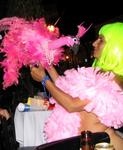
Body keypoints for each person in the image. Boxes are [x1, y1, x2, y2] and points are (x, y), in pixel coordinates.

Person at [30, 22, 123, 150]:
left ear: (115, 47)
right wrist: (49, 67)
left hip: (103, 145)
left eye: (101, 40)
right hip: (86, 143)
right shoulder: (99, 75)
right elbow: (67, 90)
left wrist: (44, 79)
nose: (94, 43)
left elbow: (72, 105)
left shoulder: (113, 81)